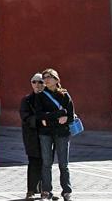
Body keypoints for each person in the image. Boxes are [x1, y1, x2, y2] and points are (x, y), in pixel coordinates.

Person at [35, 69, 74, 201]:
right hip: (45, 133)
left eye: (49, 77)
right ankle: (46, 191)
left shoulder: (64, 95)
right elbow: (39, 115)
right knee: (46, 163)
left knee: (63, 164)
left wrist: (62, 117)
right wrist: (58, 114)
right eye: (44, 77)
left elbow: (70, 115)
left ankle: (67, 191)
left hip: (62, 133)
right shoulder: (40, 96)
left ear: (57, 80)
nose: (46, 80)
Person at [18, 73, 47, 200]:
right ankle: (30, 191)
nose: (37, 84)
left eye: (40, 82)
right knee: (34, 162)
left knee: (46, 163)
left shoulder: (48, 98)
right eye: (34, 82)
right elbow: (25, 116)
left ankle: (45, 190)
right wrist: (39, 120)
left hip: (46, 135)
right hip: (32, 136)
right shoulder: (27, 99)